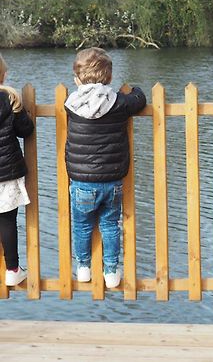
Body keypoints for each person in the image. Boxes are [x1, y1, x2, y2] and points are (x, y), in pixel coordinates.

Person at [65, 47, 146, 288]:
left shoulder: (71, 104)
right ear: (109, 77)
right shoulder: (118, 102)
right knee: (110, 225)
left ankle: (83, 268)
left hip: (81, 181)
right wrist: (136, 90)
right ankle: (111, 271)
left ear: (77, 78)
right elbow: (139, 101)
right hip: (112, 180)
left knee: (81, 225)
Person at [0, 54, 34, 286]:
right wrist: (19, 107)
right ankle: (12, 269)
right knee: (7, 220)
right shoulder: (9, 98)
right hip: (6, 172)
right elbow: (26, 130)